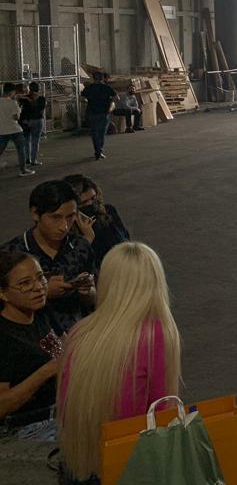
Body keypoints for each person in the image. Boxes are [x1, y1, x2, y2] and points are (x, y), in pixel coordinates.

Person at [58, 243, 181, 485]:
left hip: (79, 464)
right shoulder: (157, 333)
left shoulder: (79, 331)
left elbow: (65, 404)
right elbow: (162, 411)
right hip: (129, 465)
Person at [3, 181, 95, 333]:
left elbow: (93, 300)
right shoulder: (12, 254)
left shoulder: (80, 246)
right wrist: (44, 292)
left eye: (70, 216)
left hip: (80, 334)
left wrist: (88, 292)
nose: (64, 226)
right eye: (55, 217)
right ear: (35, 214)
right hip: (33, 342)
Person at [0, 250, 64, 440]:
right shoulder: (4, 336)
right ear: (3, 293)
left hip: (60, 412)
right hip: (25, 427)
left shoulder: (42, 312)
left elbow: (67, 346)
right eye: (25, 283)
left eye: (40, 277)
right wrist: (46, 372)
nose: (38, 287)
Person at [61, 175, 130, 274]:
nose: (91, 204)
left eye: (93, 198)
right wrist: (87, 238)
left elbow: (125, 239)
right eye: (83, 203)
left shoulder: (108, 212)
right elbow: (73, 267)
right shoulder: (65, 231)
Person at [80, 73, 117, 161]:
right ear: (102, 78)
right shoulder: (106, 87)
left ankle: (97, 150)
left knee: (94, 133)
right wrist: (110, 104)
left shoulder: (89, 88)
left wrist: (88, 102)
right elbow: (116, 97)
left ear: (93, 78)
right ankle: (99, 151)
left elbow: (82, 98)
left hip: (92, 112)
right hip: (104, 113)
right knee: (101, 133)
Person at [1, 83, 33, 176]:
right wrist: (19, 109)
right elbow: (16, 117)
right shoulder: (12, 102)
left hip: (2, 130)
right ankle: (23, 170)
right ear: (12, 91)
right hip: (15, 130)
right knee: (21, 150)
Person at [19, 82, 46, 167]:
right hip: (38, 120)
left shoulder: (24, 98)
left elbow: (18, 106)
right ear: (38, 89)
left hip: (26, 121)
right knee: (35, 141)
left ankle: (27, 159)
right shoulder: (41, 98)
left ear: (29, 89)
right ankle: (34, 160)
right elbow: (41, 110)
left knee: (27, 140)